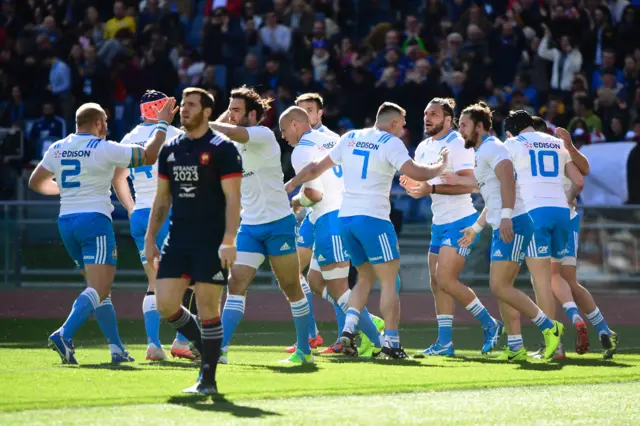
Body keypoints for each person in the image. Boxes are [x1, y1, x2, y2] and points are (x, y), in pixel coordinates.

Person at [285, 102, 448, 359]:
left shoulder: (350, 137)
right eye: (403, 125)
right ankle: (391, 344)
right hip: (373, 218)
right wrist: (441, 166)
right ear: (394, 123)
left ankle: (349, 329)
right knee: (388, 282)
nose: (403, 130)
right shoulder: (390, 142)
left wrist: (292, 185)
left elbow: (315, 169)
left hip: (345, 218)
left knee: (363, 278)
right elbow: (416, 171)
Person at [28, 99, 178, 364]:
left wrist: (65, 189)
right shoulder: (104, 148)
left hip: (66, 221)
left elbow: (36, 182)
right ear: (97, 123)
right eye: (105, 122)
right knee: (100, 286)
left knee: (100, 289)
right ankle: (65, 333)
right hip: (94, 221)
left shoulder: (58, 147)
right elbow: (150, 154)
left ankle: (117, 348)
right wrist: (163, 123)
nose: (107, 127)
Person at [146, 87, 242, 395]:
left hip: (211, 241)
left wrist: (229, 239)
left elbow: (233, 199)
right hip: (178, 239)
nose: (183, 110)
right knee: (165, 304)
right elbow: (161, 200)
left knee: (208, 307)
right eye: (182, 104)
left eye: (190, 105)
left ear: (207, 111)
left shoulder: (223, 148)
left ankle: (208, 380)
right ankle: (204, 344)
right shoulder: (170, 149)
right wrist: (150, 238)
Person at [209, 87, 314, 365]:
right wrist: (224, 115)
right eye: (229, 109)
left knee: (290, 286)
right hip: (251, 226)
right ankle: (220, 349)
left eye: (236, 110)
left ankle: (304, 350)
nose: (231, 115)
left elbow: (229, 131)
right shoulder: (231, 141)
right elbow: (222, 132)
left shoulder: (263, 134)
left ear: (252, 115)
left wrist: (204, 121)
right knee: (236, 283)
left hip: (278, 224)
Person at [453, 102, 564, 361]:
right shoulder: (484, 151)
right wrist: (476, 228)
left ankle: (550, 327)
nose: (461, 130)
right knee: (502, 286)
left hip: (514, 223)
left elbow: (508, 181)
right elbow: (493, 195)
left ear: (480, 127)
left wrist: (505, 218)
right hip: (506, 222)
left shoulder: (493, 147)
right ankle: (515, 347)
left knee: (499, 286)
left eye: (465, 125)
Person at [399, 98, 502, 358]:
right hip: (439, 221)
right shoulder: (423, 147)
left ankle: (490, 324)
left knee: (445, 279)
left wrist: (430, 188)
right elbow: (424, 182)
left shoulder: (458, 143)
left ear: (448, 119)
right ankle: (445, 342)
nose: (427, 118)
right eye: (425, 113)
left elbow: (471, 183)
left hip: (461, 220)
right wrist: (413, 184)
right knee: (436, 283)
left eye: (433, 114)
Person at [280, 106, 385, 358]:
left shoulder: (302, 149)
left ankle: (381, 342)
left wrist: (296, 200)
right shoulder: (334, 139)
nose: (283, 136)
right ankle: (368, 321)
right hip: (342, 215)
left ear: (295, 124)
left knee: (339, 289)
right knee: (316, 281)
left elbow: (315, 194)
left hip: (330, 218)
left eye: (283, 130)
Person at [112, 90, 198, 362]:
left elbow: (118, 178)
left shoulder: (128, 137)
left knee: (153, 282)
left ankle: (152, 344)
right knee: (191, 279)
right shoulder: (175, 135)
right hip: (170, 213)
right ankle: (182, 341)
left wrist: (130, 207)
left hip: (141, 213)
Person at [532, 118, 618, 359]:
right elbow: (582, 177)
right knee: (569, 280)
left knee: (546, 278)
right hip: (569, 219)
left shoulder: (524, 149)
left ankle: (562, 332)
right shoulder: (557, 148)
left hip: (544, 217)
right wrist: (569, 147)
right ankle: (603, 329)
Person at [500, 110, 583, 359]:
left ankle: (555, 346)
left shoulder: (512, 144)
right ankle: (559, 343)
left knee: (541, 281)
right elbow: (578, 180)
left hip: (535, 213)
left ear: (512, 130)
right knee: (553, 275)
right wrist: (565, 201)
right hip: (562, 212)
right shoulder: (557, 142)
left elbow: (502, 178)